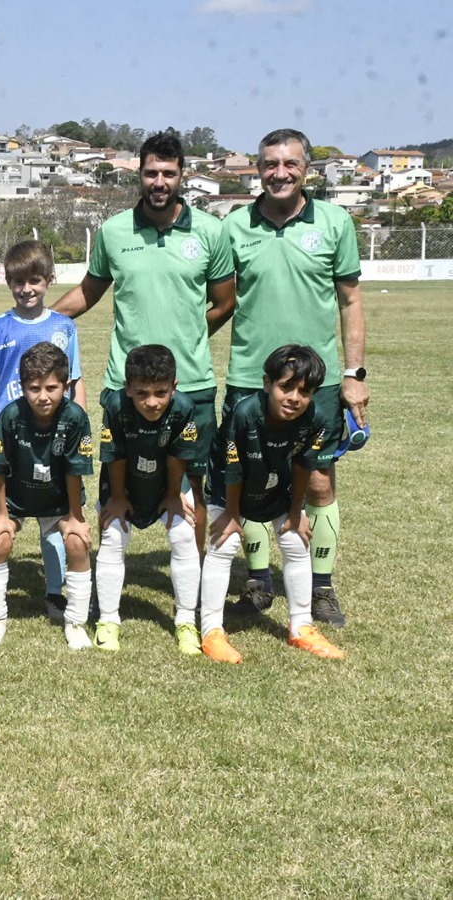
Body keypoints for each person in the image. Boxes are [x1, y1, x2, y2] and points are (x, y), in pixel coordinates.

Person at [51, 132, 235, 554]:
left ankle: (194, 580)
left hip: (191, 383)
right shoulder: (114, 231)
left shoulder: (211, 231)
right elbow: (88, 292)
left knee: (194, 486)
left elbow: (225, 303)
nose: (159, 182)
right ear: (139, 174)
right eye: (151, 173)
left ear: (182, 175)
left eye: (168, 173)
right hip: (125, 386)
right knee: (115, 484)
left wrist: (188, 337)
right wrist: (40, 323)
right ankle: (109, 578)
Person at [220, 128, 367, 628]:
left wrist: (354, 373)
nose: (279, 173)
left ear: (306, 169)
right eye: (270, 164)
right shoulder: (234, 226)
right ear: (257, 169)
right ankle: (258, 581)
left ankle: (321, 587)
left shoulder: (334, 221)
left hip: (315, 383)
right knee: (252, 477)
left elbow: (350, 302)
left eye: (290, 164)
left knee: (319, 479)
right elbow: (220, 301)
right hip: (250, 377)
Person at [198, 345, 345, 663]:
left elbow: (304, 465)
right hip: (230, 485)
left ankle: (301, 628)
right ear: (267, 383)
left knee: (295, 541)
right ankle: (211, 632)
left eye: (304, 392)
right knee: (224, 543)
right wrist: (232, 515)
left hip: (277, 483)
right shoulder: (244, 413)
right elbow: (233, 466)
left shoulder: (317, 419)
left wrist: (295, 512)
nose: (294, 398)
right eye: (286, 387)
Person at [0, 240, 83, 620]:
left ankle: (54, 593)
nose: (26, 289)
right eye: (18, 281)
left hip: (54, 437)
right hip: (11, 439)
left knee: (54, 519)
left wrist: (80, 426)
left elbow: (74, 380)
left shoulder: (64, 326)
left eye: (34, 280)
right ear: (8, 282)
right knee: (1, 513)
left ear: (50, 279)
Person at [0, 342, 94, 650]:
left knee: (77, 542)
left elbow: (74, 470)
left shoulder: (75, 417)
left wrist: (75, 517)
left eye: (52, 388)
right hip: (16, 498)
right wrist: (1, 515)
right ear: (22, 387)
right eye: (34, 388)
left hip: (58, 500)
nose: (43, 396)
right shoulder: (10, 415)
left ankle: (75, 622)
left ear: (66, 387)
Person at [94, 345, 206, 655]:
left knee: (184, 536)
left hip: (167, 481)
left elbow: (178, 455)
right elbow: (114, 455)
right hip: (123, 481)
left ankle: (186, 620)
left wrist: (172, 495)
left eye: (161, 392)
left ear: (174, 386)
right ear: (128, 387)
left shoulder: (184, 407)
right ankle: (107, 620)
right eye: (142, 393)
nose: (152, 402)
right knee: (113, 535)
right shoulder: (115, 405)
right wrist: (118, 497)